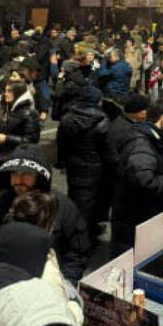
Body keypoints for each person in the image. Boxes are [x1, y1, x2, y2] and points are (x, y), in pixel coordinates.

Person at [0, 145, 90, 286]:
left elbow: (76, 255)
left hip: (47, 289)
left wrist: (65, 286)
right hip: (2, 290)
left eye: (26, 174)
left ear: (40, 176)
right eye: (14, 173)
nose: (18, 180)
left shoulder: (63, 208)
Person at [111, 99, 163, 255]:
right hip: (134, 225)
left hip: (142, 221)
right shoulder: (142, 144)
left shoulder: (157, 140)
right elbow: (145, 182)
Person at [56, 86, 113, 243]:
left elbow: (61, 144)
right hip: (95, 170)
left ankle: (74, 233)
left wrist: (63, 163)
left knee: (75, 200)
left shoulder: (67, 118)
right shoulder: (102, 121)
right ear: (97, 101)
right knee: (90, 205)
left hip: (73, 168)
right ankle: (81, 239)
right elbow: (108, 151)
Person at [0, 79, 41, 194]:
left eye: (10, 91)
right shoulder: (6, 108)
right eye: (5, 90)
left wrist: (6, 138)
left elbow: (31, 140)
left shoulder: (29, 112)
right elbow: (1, 128)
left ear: (18, 93)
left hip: (15, 160)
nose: (6, 93)